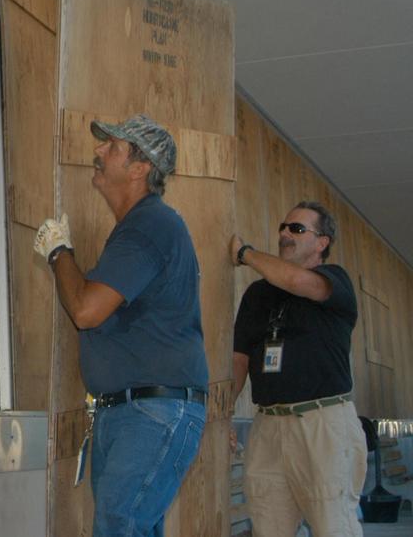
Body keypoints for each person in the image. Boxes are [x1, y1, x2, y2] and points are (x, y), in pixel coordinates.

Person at [34, 113, 207, 537]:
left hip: (153, 412)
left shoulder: (150, 225)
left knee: (120, 526)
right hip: (134, 411)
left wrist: (59, 253)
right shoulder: (141, 228)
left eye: (111, 146)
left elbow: (87, 310)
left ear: (140, 167)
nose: (97, 151)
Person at [230, 202, 364, 537]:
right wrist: (221, 417)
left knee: (334, 528)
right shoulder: (257, 295)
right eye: (283, 227)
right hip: (268, 426)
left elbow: (295, 280)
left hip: (323, 424)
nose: (285, 234)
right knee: (267, 526)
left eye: (297, 229)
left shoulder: (334, 281)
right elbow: (239, 360)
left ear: (322, 242)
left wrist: (245, 253)